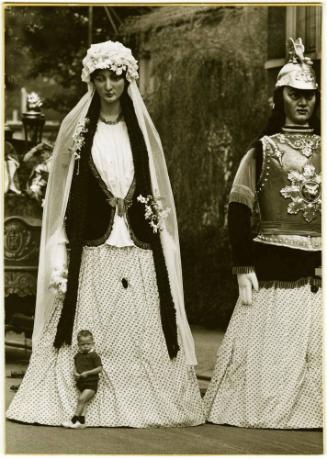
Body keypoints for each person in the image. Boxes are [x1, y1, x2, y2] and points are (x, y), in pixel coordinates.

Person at [7, 40, 204, 428]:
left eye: (115, 76)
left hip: (137, 243)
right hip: (93, 244)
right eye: (100, 78)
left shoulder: (140, 133)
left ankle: (145, 398)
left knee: (139, 325)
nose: (109, 85)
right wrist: (62, 247)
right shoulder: (80, 131)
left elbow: (153, 189)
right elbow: (66, 193)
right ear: (92, 82)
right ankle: (81, 397)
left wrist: (156, 232)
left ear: (126, 78)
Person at [204, 38, 322, 429]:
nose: (303, 102)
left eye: (309, 95)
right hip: (274, 264)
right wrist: (241, 264)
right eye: (294, 94)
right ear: (280, 97)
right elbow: (237, 209)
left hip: (320, 263)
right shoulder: (262, 150)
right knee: (274, 352)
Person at [63, 330, 102, 429]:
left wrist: (88, 373)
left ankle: (73, 420)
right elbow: (76, 366)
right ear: (79, 345)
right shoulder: (78, 355)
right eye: (83, 344)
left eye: (88, 344)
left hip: (91, 383)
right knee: (83, 402)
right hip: (81, 383)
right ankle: (81, 422)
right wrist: (75, 373)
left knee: (81, 399)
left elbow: (99, 368)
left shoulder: (94, 355)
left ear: (93, 343)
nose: (86, 346)